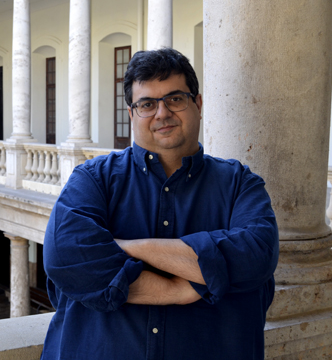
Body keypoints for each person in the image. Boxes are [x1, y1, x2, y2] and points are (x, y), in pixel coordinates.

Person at [41, 48, 279, 360]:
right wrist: (177, 289)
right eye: (147, 104)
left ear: (198, 103)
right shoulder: (93, 179)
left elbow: (257, 255)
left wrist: (126, 248)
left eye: (175, 99)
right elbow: (65, 256)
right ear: (131, 114)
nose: (162, 113)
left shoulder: (240, 184)